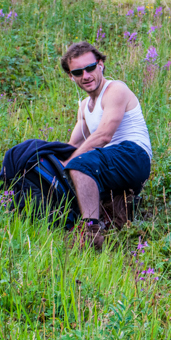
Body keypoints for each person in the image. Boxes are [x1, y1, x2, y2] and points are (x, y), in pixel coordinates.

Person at [60, 41, 152, 251]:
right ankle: (108, 218)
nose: (86, 75)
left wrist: (71, 163)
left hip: (134, 155)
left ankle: (91, 233)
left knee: (79, 164)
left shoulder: (115, 90)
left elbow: (103, 136)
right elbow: (73, 145)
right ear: (71, 76)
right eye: (78, 72)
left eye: (90, 67)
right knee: (75, 166)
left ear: (100, 64)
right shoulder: (84, 107)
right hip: (111, 160)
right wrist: (56, 164)